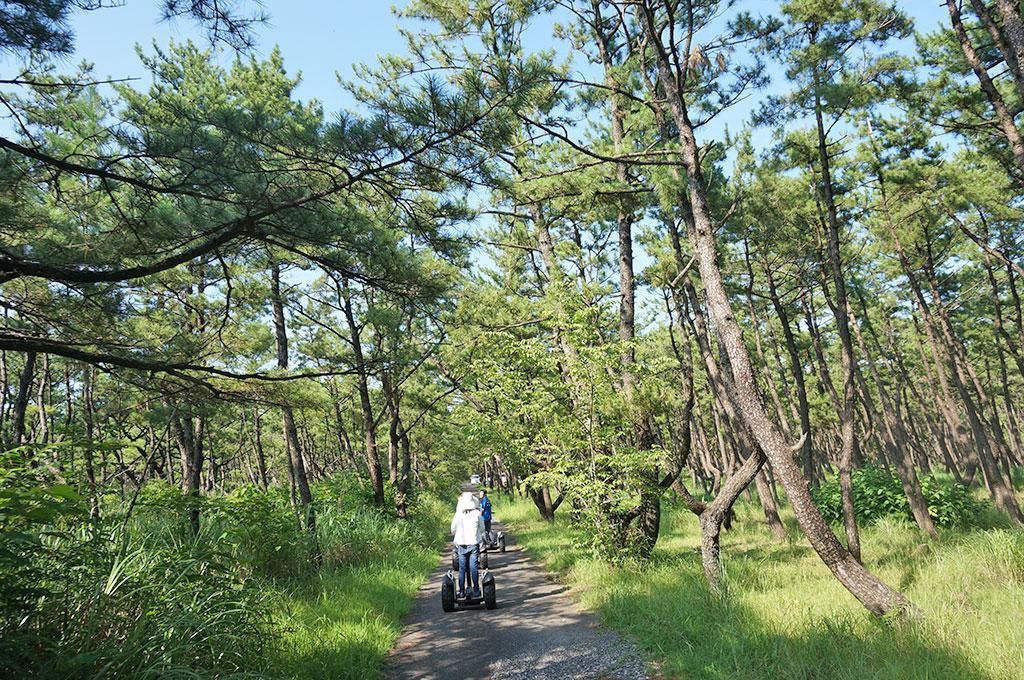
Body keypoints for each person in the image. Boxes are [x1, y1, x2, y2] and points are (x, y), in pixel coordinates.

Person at [450, 491, 484, 599]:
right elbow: (482, 529)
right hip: (473, 543)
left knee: (462, 568)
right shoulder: (477, 514)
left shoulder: (458, 514)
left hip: (461, 544)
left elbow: (452, 530)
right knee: (474, 567)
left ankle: (461, 591)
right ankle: (476, 589)